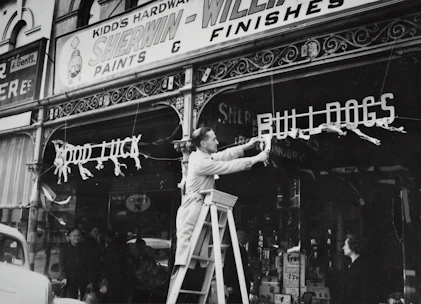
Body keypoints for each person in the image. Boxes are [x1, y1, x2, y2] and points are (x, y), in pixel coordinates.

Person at [173, 127, 269, 271]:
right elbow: (228, 165)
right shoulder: (201, 163)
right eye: (213, 139)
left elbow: (225, 155)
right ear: (204, 144)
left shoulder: (200, 157)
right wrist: (257, 158)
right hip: (194, 205)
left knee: (196, 244)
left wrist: (246, 146)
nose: (217, 142)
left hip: (199, 204)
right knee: (188, 244)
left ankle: (191, 268)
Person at [341, 233, 381, 304]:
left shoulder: (364, 265)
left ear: (353, 246)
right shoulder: (351, 265)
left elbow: (367, 292)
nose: (343, 247)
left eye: (345, 244)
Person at [59, 228, 94, 299]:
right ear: (70, 237)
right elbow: (62, 264)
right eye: (74, 236)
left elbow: (89, 266)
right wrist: (64, 277)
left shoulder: (84, 248)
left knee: (84, 299)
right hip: (70, 280)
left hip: (83, 279)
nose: (76, 238)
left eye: (78, 235)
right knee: (71, 299)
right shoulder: (64, 249)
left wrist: (90, 281)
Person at [223, 230, 253, 304]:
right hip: (235, 283)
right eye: (243, 236)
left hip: (240, 283)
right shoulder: (232, 249)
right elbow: (228, 266)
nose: (245, 238)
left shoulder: (240, 248)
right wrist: (228, 284)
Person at [102, 229, 124, 303]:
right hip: (118, 274)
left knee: (111, 294)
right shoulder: (118, 246)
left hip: (111, 274)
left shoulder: (109, 248)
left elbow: (106, 261)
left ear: (108, 237)